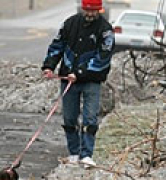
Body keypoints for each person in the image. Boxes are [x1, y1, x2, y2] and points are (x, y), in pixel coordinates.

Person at [41, 0, 115, 169]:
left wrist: (80, 72)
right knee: (69, 118)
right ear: (82, 8)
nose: (90, 14)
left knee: (90, 118)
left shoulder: (105, 30)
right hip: (68, 80)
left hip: (92, 81)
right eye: (87, 10)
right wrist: (49, 65)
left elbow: (103, 57)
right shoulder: (70, 23)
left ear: (99, 10)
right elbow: (57, 45)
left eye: (93, 11)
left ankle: (87, 155)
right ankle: (74, 153)